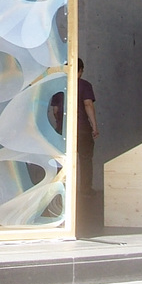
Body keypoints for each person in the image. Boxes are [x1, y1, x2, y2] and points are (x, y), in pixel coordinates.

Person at [49, 58, 99, 197]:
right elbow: (88, 104)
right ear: (80, 71)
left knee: (61, 160)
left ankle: (61, 190)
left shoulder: (58, 87)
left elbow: (55, 110)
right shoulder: (85, 85)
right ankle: (85, 190)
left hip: (63, 129)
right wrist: (94, 126)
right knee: (85, 159)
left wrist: (60, 123)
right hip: (82, 128)